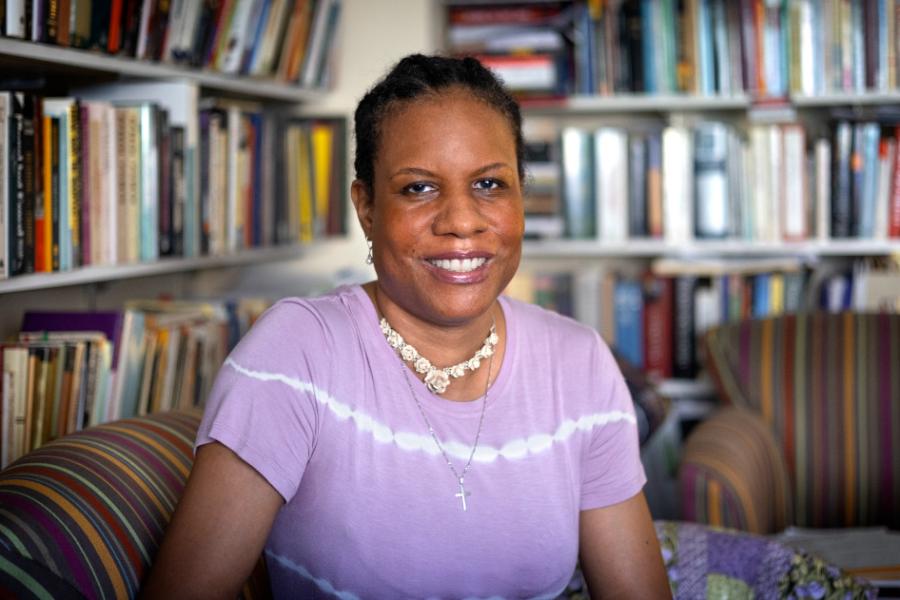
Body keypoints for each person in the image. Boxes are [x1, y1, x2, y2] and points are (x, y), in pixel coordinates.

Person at [142, 54, 671, 599]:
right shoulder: (296, 353)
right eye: (419, 188)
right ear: (366, 207)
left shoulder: (579, 363)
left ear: (522, 199)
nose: (462, 221)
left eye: (490, 184)